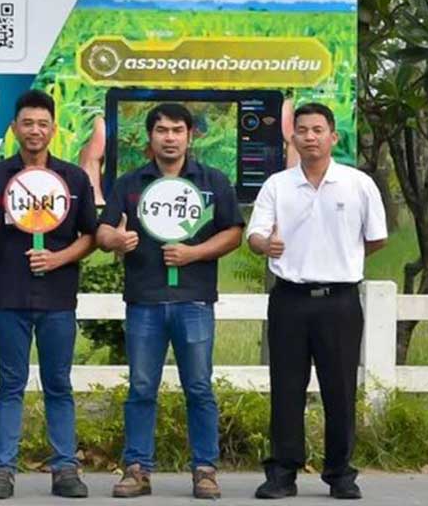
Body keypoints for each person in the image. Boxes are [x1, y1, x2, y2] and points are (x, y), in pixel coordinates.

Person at [96, 103, 244, 500]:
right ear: (150, 136)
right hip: (144, 300)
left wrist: (195, 253)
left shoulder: (212, 181)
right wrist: (116, 239)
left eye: (177, 130)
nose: (170, 137)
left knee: (199, 387)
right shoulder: (130, 183)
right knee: (142, 387)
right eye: (162, 130)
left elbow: (233, 232)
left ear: (190, 135)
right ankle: (137, 469)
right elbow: (103, 232)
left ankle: (205, 470)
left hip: (194, 301)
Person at [246, 102, 387, 500]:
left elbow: (376, 238)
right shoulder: (277, 185)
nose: (310, 137)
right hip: (289, 298)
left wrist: (342, 259)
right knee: (286, 388)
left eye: (318, 130)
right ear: (292, 137)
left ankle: (340, 474)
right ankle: (282, 473)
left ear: (333, 136)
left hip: (339, 301)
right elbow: (255, 235)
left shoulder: (358, 184)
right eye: (303, 130)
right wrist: (265, 245)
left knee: (339, 389)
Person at [0, 89, 97, 499]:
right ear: (14, 128)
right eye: (27, 123)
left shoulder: (74, 178)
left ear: (53, 129)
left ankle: (66, 469)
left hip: (58, 299)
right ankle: (2, 471)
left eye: (42, 124)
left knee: (58, 383)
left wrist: (59, 259)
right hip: (9, 296)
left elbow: (90, 236)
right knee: (10, 384)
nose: (35, 130)